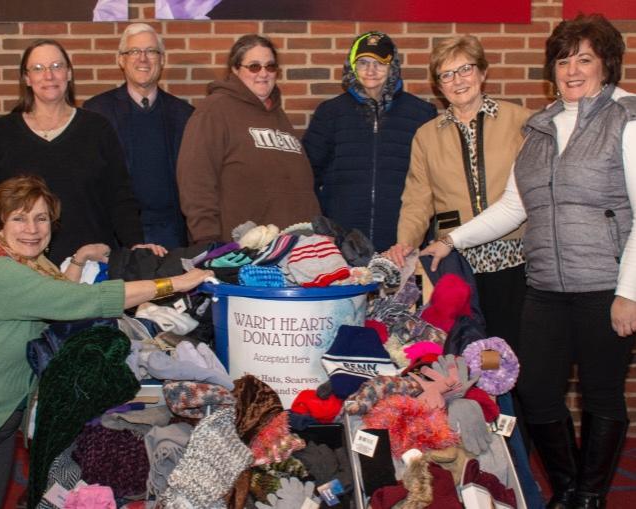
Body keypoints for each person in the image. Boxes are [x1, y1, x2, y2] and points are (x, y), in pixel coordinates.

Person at [422, 15, 636, 509]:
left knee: (603, 394)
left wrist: (629, 291)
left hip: (606, 286)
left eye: (584, 58)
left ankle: (590, 494)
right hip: (543, 287)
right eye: (563, 60)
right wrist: (452, 240)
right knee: (536, 391)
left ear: (606, 64)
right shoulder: (540, 127)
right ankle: (565, 486)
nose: (572, 69)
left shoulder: (625, 118)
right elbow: (514, 207)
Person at [0, 175, 212, 509]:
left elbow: (61, 296)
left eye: (41, 217)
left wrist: (79, 259)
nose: (31, 229)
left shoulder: (33, 264)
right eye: (19, 218)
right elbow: (82, 301)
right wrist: (174, 283)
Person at [387, 35, 530, 353]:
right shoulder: (426, 136)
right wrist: (405, 242)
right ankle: (487, 405)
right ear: (439, 85)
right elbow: (417, 199)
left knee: (513, 351)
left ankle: (512, 405)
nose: (457, 80)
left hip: (514, 262)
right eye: (446, 74)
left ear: (482, 72)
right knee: (471, 351)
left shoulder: (520, 121)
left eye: (465, 69)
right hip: (456, 266)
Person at [0, 39, 151, 266]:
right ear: (27, 78)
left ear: (69, 73)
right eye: (38, 68)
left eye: (57, 67)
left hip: (90, 266)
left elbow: (120, 197)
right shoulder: (2, 133)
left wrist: (135, 245)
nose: (49, 76)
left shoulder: (97, 128)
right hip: (21, 268)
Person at [177, 34, 321, 245]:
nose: (263, 73)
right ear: (235, 70)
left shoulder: (279, 116)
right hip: (241, 252)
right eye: (254, 66)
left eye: (270, 67)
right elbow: (196, 180)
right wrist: (207, 241)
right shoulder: (214, 110)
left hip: (294, 251)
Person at [302, 31, 436, 253]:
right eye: (363, 62)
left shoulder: (421, 114)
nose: (371, 71)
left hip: (402, 244)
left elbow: (433, 182)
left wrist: (427, 236)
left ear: (392, 67)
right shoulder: (330, 113)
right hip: (341, 245)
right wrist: (320, 229)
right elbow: (307, 176)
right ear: (352, 66)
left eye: (380, 63)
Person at [85, 24, 194, 248]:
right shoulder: (96, 112)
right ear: (121, 60)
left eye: (151, 51)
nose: (143, 59)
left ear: (162, 60)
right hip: (114, 236)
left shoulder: (185, 115)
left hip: (172, 235)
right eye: (134, 51)